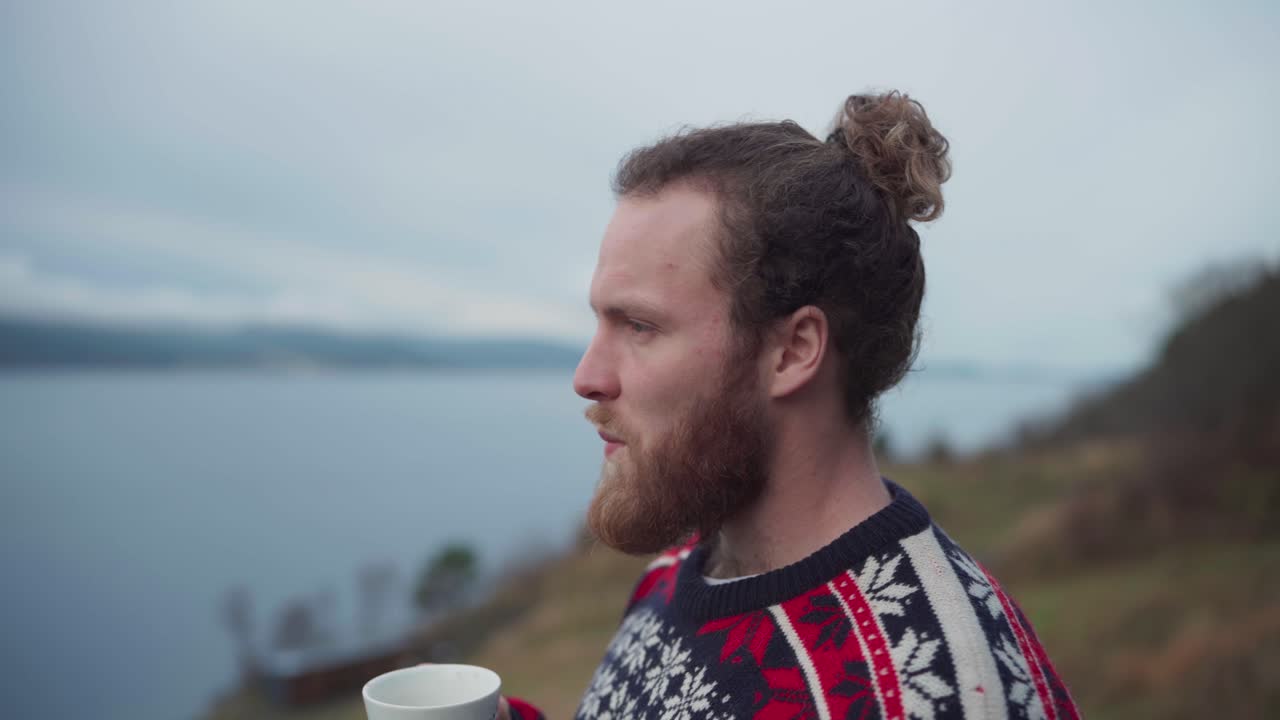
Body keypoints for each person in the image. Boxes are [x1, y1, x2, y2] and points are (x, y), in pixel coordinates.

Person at [506, 90, 1079, 720]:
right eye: (601, 323)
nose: (587, 377)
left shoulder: (930, 693)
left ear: (793, 351)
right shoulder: (685, 567)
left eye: (639, 326)